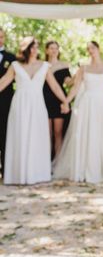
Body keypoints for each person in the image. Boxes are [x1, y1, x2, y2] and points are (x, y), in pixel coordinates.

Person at [53, 41, 103, 184]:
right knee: (86, 133)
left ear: (98, 49)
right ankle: (84, 168)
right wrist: (66, 101)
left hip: (102, 103)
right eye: (88, 49)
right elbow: (75, 88)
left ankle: (100, 168)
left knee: (100, 133)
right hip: (86, 104)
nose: (90, 50)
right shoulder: (84, 68)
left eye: (93, 47)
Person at [0, 37, 69, 185]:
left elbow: (55, 86)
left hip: (37, 105)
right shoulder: (15, 65)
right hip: (20, 105)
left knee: (37, 136)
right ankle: (18, 174)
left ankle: (37, 173)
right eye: (31, 47)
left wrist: (65, 101)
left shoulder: (44, 66)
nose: (34, 50)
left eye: (36, 47)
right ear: (25, 49)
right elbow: (3, 82)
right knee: (20, 135)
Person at [43, 41, 72, 160]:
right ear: (46, 50)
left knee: (58, 132)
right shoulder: (42, 65)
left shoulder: (64, 66)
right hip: (44, 100)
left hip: (59, 101)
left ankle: (58, 162)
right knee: (46, 133)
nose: (54, 50)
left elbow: (69, 82)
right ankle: (46, 161)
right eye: (51, 48)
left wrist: (78, 75)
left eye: (56, 48)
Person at [0, 28, 16, 178]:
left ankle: (5, 170)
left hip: (6, 101)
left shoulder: (12, 57)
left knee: (5, 133)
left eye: (2, 37)